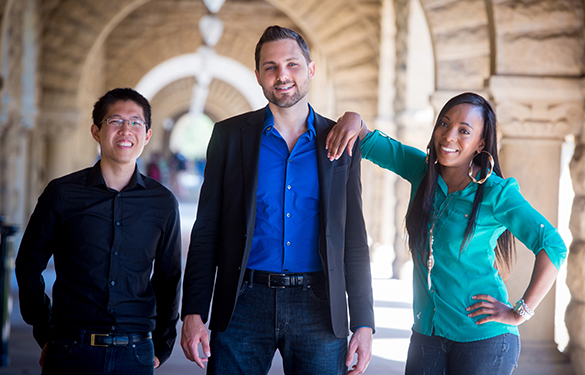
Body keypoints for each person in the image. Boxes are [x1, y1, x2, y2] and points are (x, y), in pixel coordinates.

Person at [325, 92, 567, 375]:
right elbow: (368, 140)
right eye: (444, 123)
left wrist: (520, 311)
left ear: (481, 143)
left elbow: (552, 244)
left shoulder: (497, 193)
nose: (449, 136)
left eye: (464, 130)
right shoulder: (421, 172)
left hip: (483, 338)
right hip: (426, 333)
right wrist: (352, 118)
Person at [180, 25, 375, 375]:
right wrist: (193, 312)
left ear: (311, 69)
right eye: (270, 67)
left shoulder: (341, 141)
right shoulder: (228, 137)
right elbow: (207, 227)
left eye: (292, 64)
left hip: (319, 306)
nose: (282, 75)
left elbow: (354, 238)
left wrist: (364, 322)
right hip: (243, 301)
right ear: (258, 76)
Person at [15, 88, 182, 374]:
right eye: (115, 121)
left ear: (147, 135)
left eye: (135, 122)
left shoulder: (163, 202)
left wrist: (163, 344)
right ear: (96, 131)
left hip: (136, 352)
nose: (125, 130)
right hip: (70, 348)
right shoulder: (62, 193)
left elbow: (169, 278)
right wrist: (44, 330)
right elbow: (29, 264)